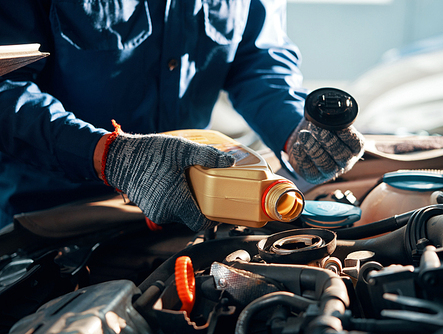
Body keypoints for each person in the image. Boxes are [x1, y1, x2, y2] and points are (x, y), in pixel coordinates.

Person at [0, 0, 364, 231]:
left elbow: (257, 61)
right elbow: (6, 88)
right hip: (51, 218)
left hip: (188, 206)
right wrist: (109, 156)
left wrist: (294, 133)